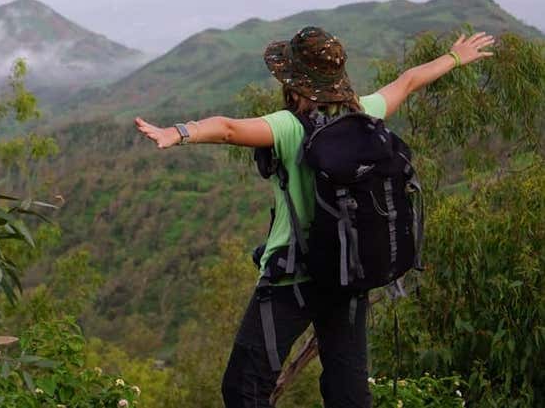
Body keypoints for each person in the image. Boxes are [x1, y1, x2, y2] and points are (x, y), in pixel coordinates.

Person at [134, 26, 495, 408]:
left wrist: (177, 132)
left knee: (245, 387)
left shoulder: (289, 127)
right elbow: (407, 82)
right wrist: (455, 57)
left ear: (292, 83)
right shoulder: (365, 113)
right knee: (348, 392)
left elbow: (226, 128)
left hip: (293, 276)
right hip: (349, 273)